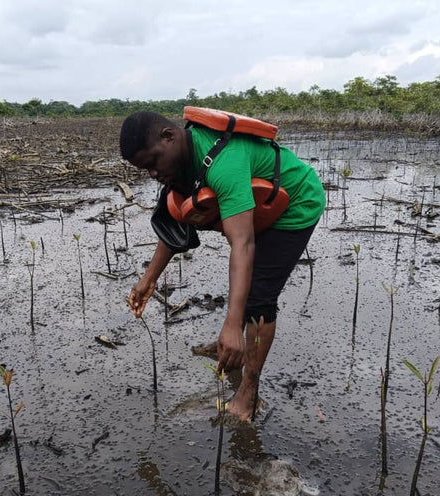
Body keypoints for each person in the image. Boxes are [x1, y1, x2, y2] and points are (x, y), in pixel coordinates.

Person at [119, 111, 325, 420]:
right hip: (260, 207)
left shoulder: (224, 164)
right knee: (246, 286)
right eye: (144, 169)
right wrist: (149, 279)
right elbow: (178, 222)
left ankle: (249, 393)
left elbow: (242, 244)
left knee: (258, 297)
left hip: (296, 205)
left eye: (152, 162)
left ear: (169, 137)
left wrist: (232, 325)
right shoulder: (178, 165)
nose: (152, 174)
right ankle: (228, 346)